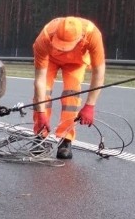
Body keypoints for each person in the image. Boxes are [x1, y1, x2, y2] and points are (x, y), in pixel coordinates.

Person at [31, 16, 106, 160]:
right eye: (60, 44)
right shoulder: (45, 36)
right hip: (50, 60)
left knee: (71, 95)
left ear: (80, 38)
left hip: (75, 63)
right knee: (43, 92)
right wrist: (40, 113)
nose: (63, 48)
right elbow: (39, 80)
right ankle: (40, 136)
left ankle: (65, 139)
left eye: (66, 45)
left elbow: (99, 73)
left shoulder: (92, 34)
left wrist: (90, 106)